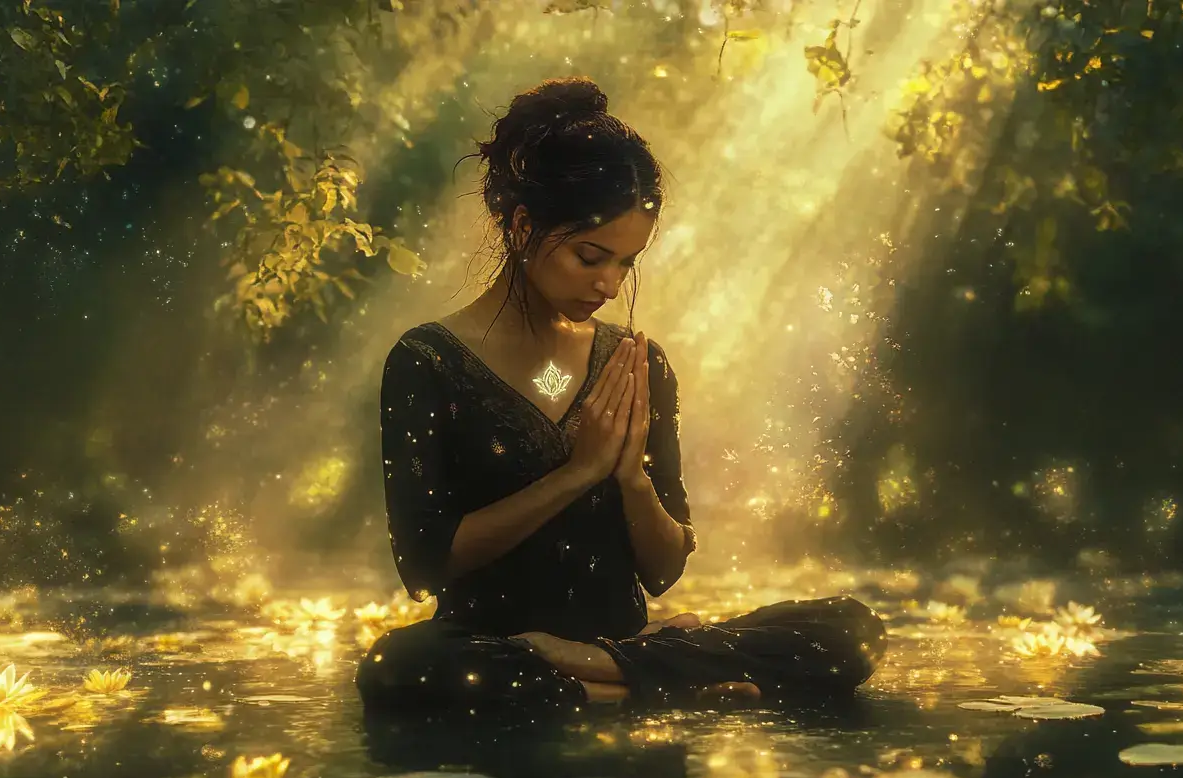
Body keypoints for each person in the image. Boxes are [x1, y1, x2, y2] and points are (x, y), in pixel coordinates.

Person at [356, 77, 887, 714]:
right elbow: (424, 567)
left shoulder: (636, 361)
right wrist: (577, 473)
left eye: (626, 263)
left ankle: (607, 671)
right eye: (590, 256)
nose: (609, 283)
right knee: (397, 667)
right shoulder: (428, 362)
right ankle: (665, 681)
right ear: (524, 227)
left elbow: (663, 573)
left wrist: (632, 479)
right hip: (495, 645)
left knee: (848, 628)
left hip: (623, 637)